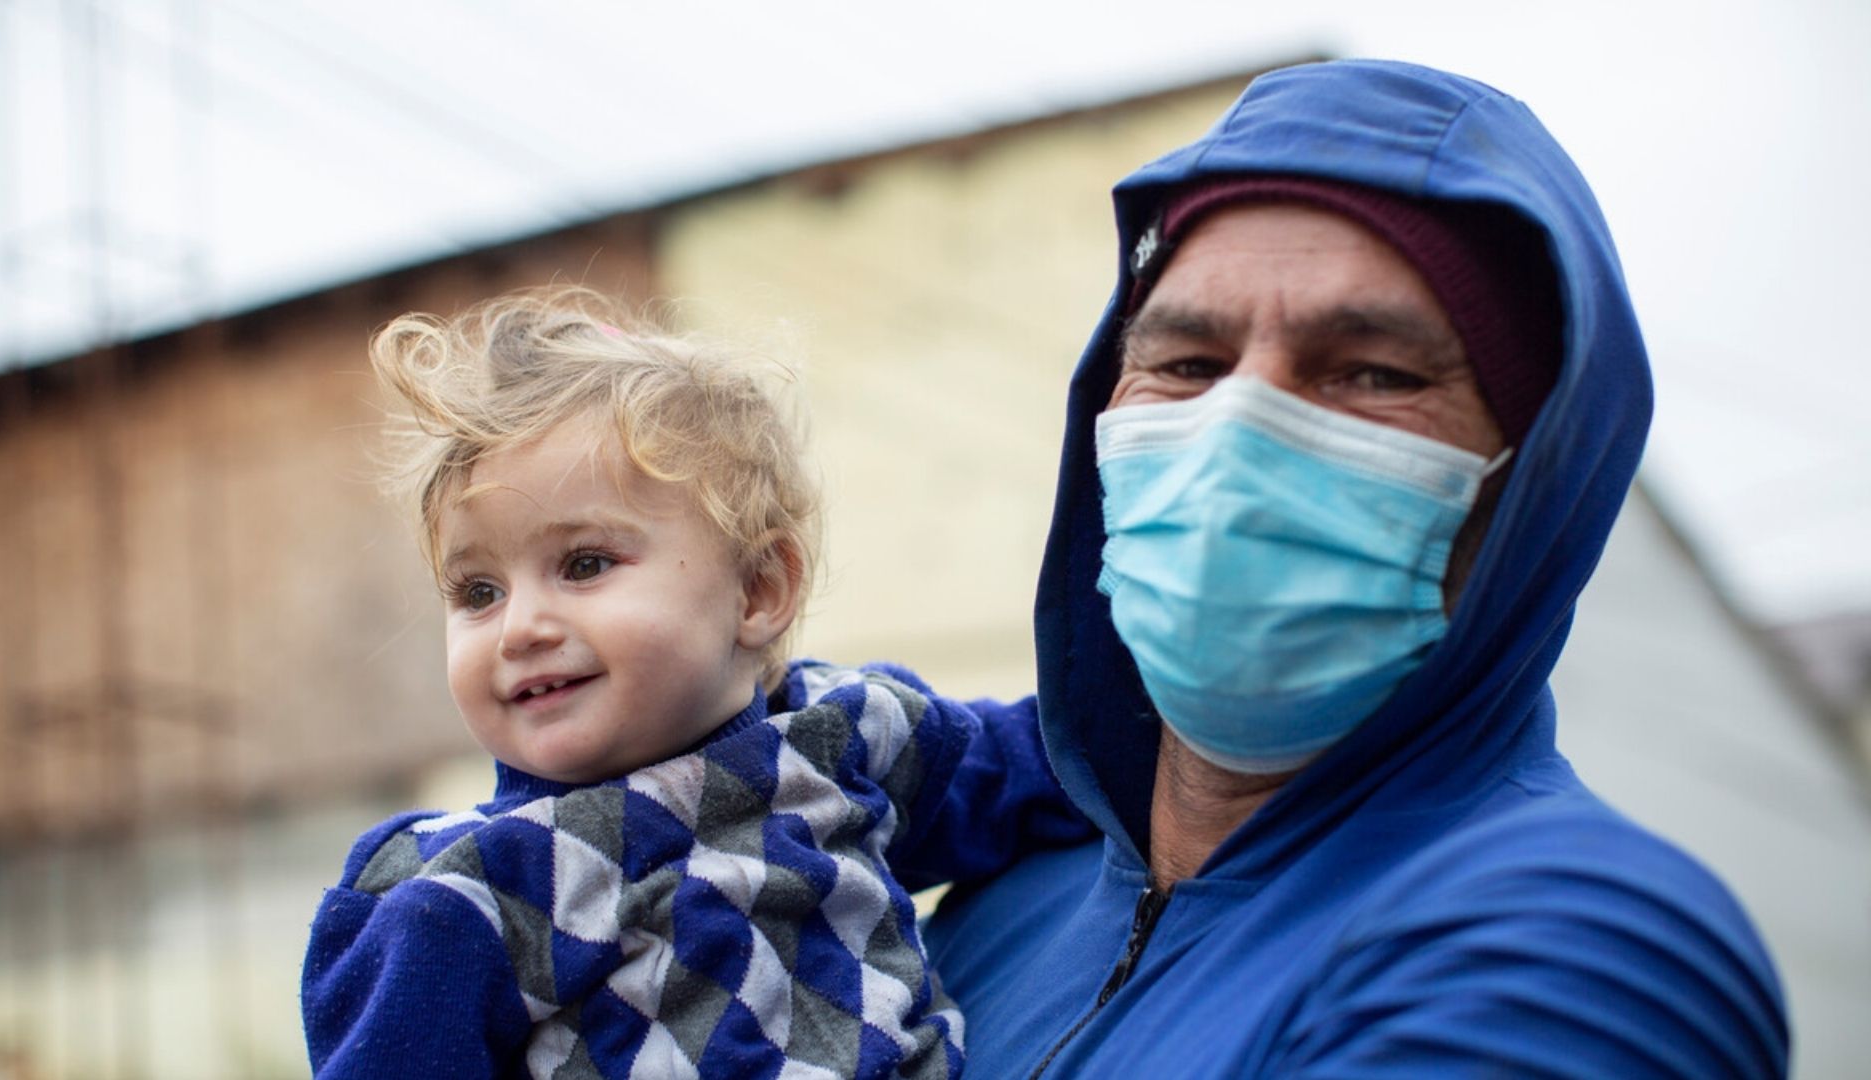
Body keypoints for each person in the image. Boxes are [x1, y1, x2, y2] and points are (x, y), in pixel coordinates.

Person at [922, 59, 1790, 1076]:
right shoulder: (1002, 897)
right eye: (1189, 365)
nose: (1237, 435)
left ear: (1530, 493)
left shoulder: (1575, 952)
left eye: (1375, 373)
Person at [300, 288, 1088, 1079]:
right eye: (479, 592)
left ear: (757, 591)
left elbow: (1069, 759)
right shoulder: (471, 894)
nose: (519, 628)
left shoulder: (844, 743)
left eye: (584, 564)